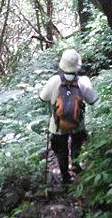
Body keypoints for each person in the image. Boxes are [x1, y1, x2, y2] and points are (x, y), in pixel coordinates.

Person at [39, 49, 99, 184]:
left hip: (57, 125)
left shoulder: (54, 80)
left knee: (61, 151)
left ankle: (65, 176)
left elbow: (43, 98)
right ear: (78, 65)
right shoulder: (83, 81)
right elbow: (93, 100)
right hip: (78, 123)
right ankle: (76, 166)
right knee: (76, 144)